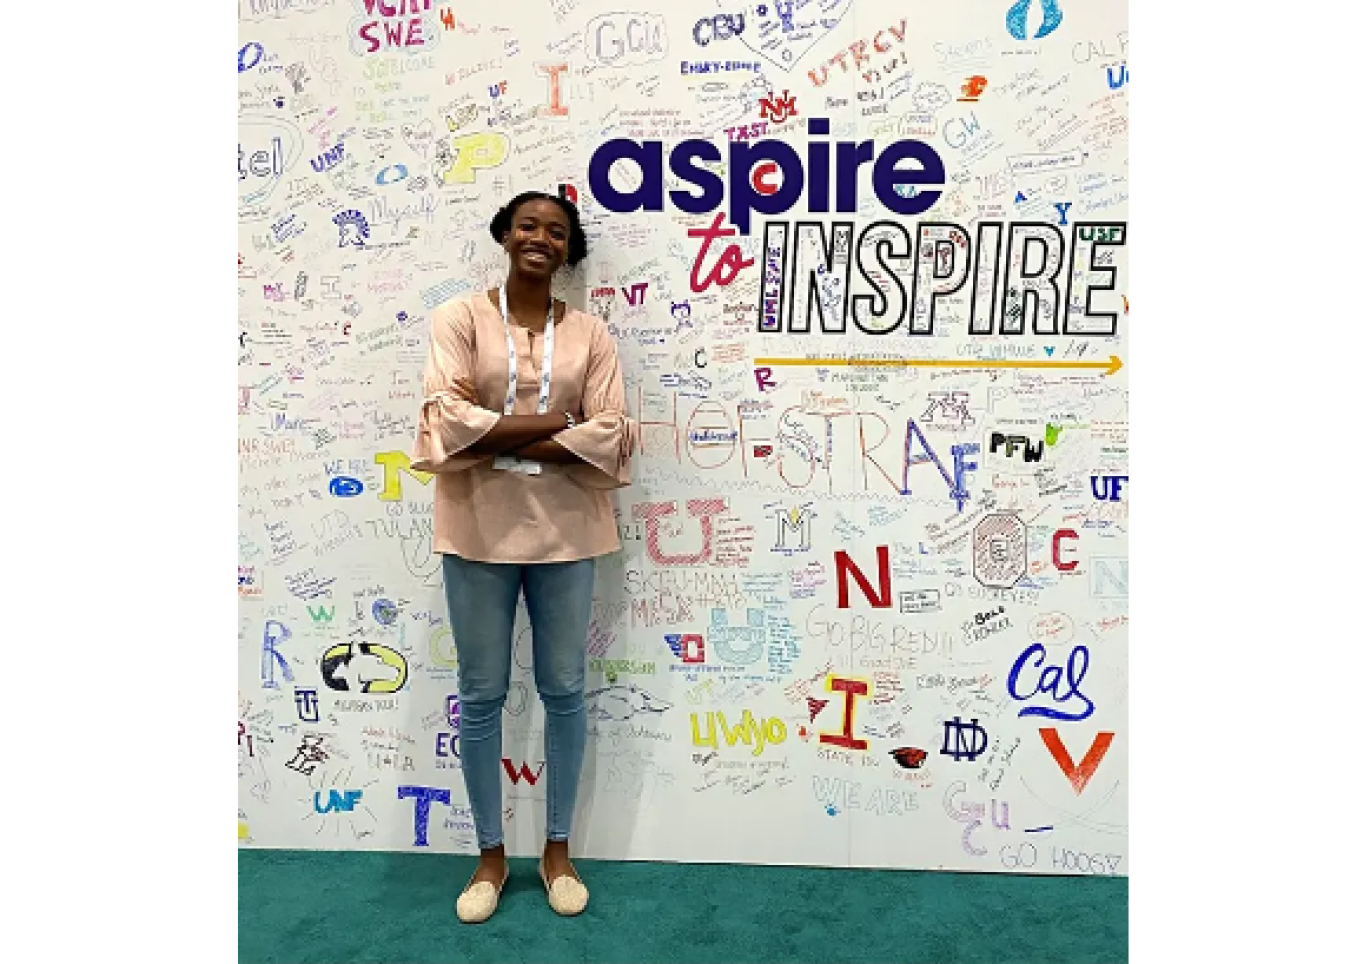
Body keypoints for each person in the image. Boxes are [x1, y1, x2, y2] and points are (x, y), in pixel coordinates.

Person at [410, 191, 634, 923]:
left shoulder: (592, 334)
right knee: (480, 695)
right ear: (505, 234)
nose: (541, 238)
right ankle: (489, 856)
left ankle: (558, 850)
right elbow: (446, 420)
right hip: (476, 530)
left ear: (569, 250)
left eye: (557, 231)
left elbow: (610, 434)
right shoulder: (459, 319)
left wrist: (494, 431)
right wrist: (552, 423)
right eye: (529, 225)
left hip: (568, 535)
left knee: (563, 688)